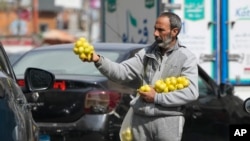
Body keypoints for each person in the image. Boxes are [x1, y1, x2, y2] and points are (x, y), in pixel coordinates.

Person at [82, 11, 199, 141]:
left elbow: (191, 92)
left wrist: (157, 97)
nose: (155, 34)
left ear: (174, 31)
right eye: (155, 29)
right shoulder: (145, 53)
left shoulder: (186, 58)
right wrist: (98, 60)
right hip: (140, 120)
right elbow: (121, 72)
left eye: (161, 30)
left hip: (168, 121)